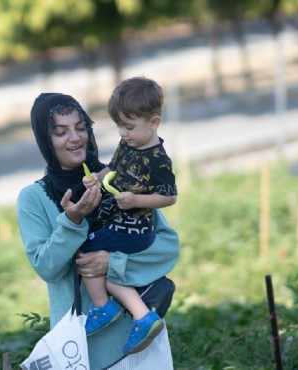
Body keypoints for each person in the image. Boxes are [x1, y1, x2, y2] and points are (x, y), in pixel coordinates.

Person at [17, 92, 179, 369]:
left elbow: (167, 246)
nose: (75, 138)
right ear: (45, 141)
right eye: (60, 132)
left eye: (81, 128)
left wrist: (113, 262)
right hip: (81, 353)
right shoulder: (33, 198)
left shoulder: (120, 177)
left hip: (142, 345)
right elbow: (47, 268)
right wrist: (72, 220)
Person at [80, 76, 178, 354]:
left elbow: (169, 196)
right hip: (120, 222)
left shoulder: (158, 159)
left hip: (136, 227)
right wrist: (97, 179)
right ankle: (142, 317)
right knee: (112, 276)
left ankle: (102, 308)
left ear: (154, 122)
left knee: (87, 246)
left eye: (129, 127)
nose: (123, 133)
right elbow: (112, 169)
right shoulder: (129, 145)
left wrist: (137, 199)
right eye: (119, 126)